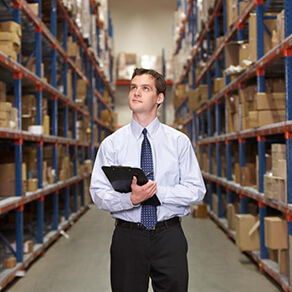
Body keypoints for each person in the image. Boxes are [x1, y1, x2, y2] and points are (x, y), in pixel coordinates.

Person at [90, 68, 206, 292]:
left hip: (168, 237)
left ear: (160, 98)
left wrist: (155, 192)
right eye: (133, 87)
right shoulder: (112, 144)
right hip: (128, 237)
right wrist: (131, 200)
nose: (136, 92)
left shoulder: (178, 142)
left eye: (145, 88)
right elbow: (98, 192)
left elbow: (196, 190)